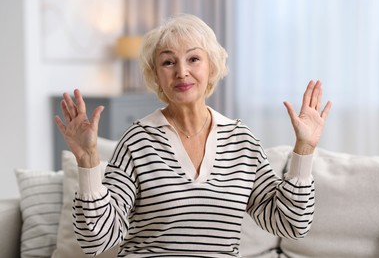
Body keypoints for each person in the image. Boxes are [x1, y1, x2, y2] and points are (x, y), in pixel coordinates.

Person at [54, 14, 331, 257]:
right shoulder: (137, 140)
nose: (181, 72)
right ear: (156, 75)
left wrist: (304, 148)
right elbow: (97, 240)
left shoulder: (241, 141)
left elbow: (290, 223)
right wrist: (89, 160)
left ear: (211, 67)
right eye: (168, 62)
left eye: (194, 59)